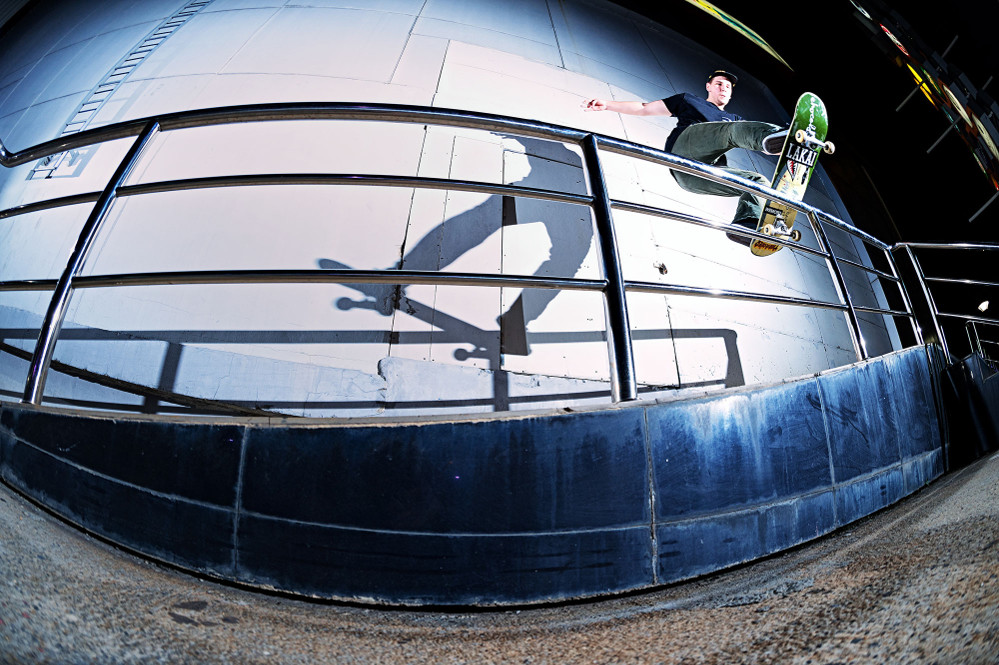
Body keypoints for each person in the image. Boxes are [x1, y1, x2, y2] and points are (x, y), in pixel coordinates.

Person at [583, 69, 787, 243]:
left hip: (695, 178)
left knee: (757, 182)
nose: (724, 88)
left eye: (728, 87)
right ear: (708, 86)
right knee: (731, 130)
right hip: (684, 152)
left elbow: (742, 132)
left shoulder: (734, 119)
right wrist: (608, 104)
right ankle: (778, 138)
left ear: (732, 94)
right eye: (719, 84)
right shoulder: (689, 101)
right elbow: (644, 108)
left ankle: (746, 226)